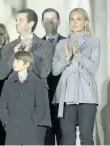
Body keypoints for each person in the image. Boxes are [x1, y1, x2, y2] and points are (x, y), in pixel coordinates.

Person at [52, 8, 100, 145]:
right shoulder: (61, 44)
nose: (75, 22)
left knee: (86, 137)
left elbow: (93, 68)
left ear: (86, 22)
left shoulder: (94, 42)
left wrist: (77, 54)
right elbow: (55, 71)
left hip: (87, 96)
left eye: (79, 19)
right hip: (66, 96)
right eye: (72, 19)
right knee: (67, 139)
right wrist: (66, 59)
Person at [0, 51, 51, 145]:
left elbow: (42, 105)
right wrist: (7, 122)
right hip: (13, 128)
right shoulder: (8, 83)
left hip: (32, 129)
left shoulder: (37, 83)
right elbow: (2, 105)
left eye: (18, 61)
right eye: (14, 61)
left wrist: (34, 121)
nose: (14, 64)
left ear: (27, 64)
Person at [0, 8, 54, 80]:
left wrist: (28, 54)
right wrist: (14, 56)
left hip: (35, 90)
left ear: (31, 24)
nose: (16, 23)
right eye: (16, 20)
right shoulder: (8, 47)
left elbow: (44, 73)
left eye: (20, 20)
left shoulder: (46, 46)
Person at [41, 8, 66, 145]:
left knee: (65, 139)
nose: (50, 21)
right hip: (43, 101)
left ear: (59, 21)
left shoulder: (68, 42)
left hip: (64, 100)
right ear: (41, 23)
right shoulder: (35, 44)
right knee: (46, 140)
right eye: (46, 18)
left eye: (53, 18)